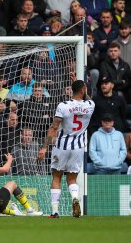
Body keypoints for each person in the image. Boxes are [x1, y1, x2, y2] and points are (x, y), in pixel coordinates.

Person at [38, 80, 95, 218]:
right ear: (83, 90)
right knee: (72, 179)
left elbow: (54, 127)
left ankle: (55, 211)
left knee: (56, 176)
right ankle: (75, 198)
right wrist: (82, 88)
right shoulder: (90, 105)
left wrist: (44, 148)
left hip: (62, 145)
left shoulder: (63, 106)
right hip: (78, 147)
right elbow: (88, 98)